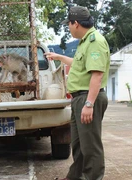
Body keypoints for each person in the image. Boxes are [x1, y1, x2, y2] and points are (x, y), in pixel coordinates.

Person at [45, 6, 110, 180]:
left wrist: (89, 104)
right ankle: (74, 176)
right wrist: (58, 57)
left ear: (76, 24)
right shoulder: (85, 41)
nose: (68, 28)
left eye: (69, 24)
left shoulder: (95, 41)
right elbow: (78, 63)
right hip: (79, 98)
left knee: (90, 145)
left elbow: (97, 74)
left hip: (88, 98)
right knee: (79, 144)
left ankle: (92, 177)